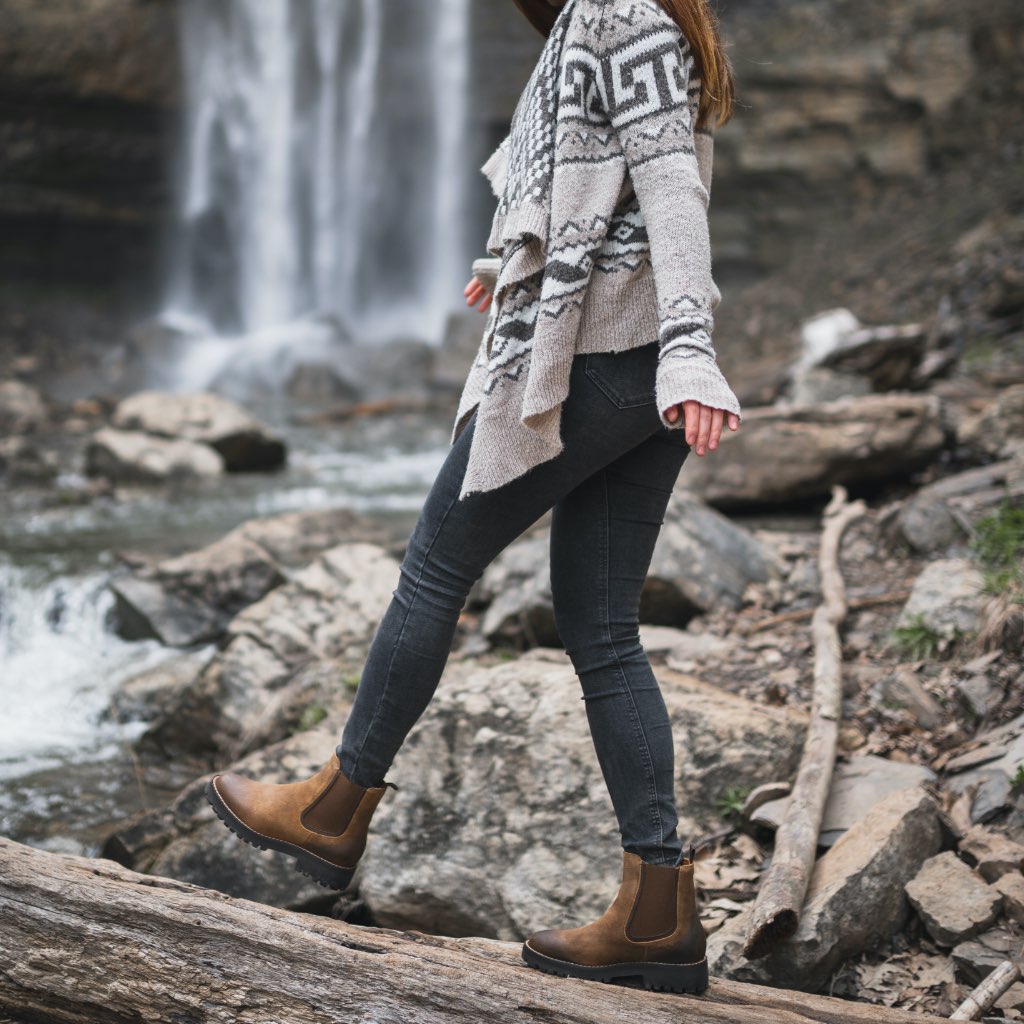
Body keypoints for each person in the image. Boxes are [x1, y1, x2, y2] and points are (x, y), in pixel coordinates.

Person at [206, 0, 740, 996]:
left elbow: (672, 188)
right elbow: (617, 177)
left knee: (436, 565)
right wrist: (513, 256)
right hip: (634, 369)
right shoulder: (647, 20)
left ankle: (333, 806)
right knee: (603, 627)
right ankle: (657, 909)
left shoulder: (621, 13)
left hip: (605, 360)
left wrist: (689, 348)